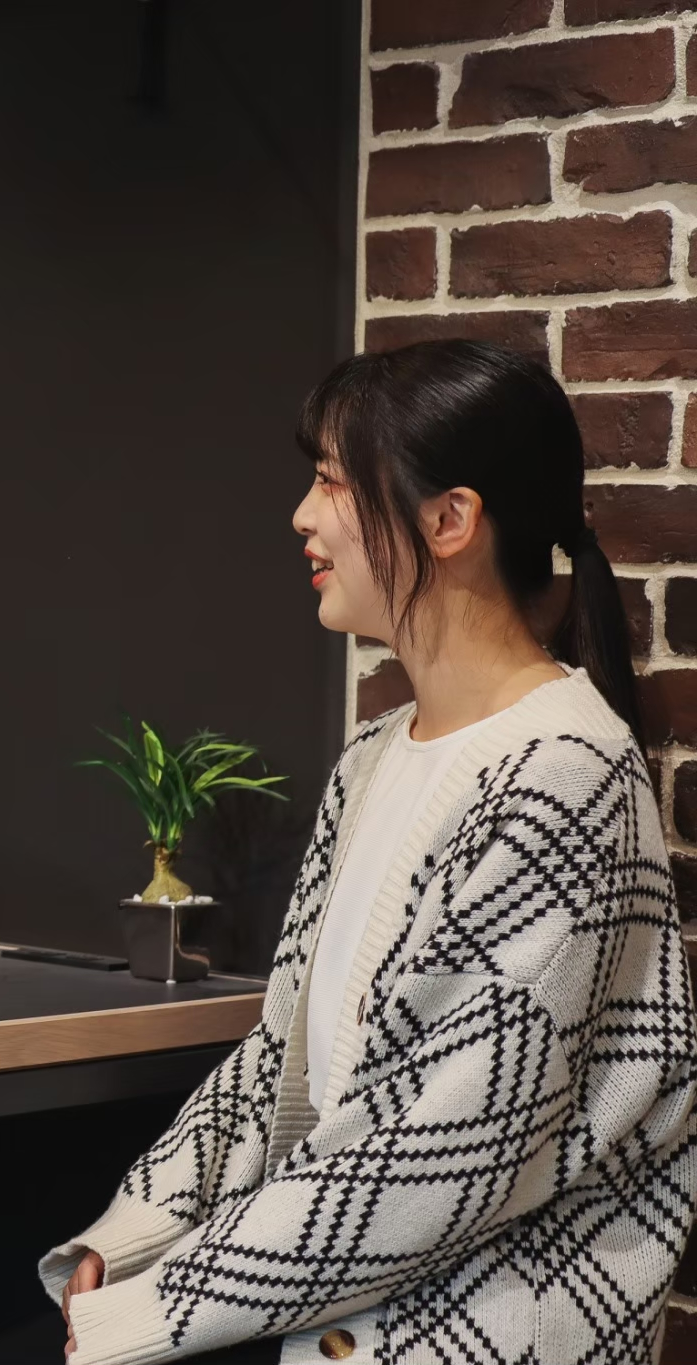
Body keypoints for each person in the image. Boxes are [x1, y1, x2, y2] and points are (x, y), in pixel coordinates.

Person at [39, 340, 697, 1364]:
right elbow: (282, 1058)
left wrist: (154, 1308)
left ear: (449, 520)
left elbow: (436, 1153)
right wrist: (134, 1232)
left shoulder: (564, 773)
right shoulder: (373, 757)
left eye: (333, 482)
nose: (302, 515)